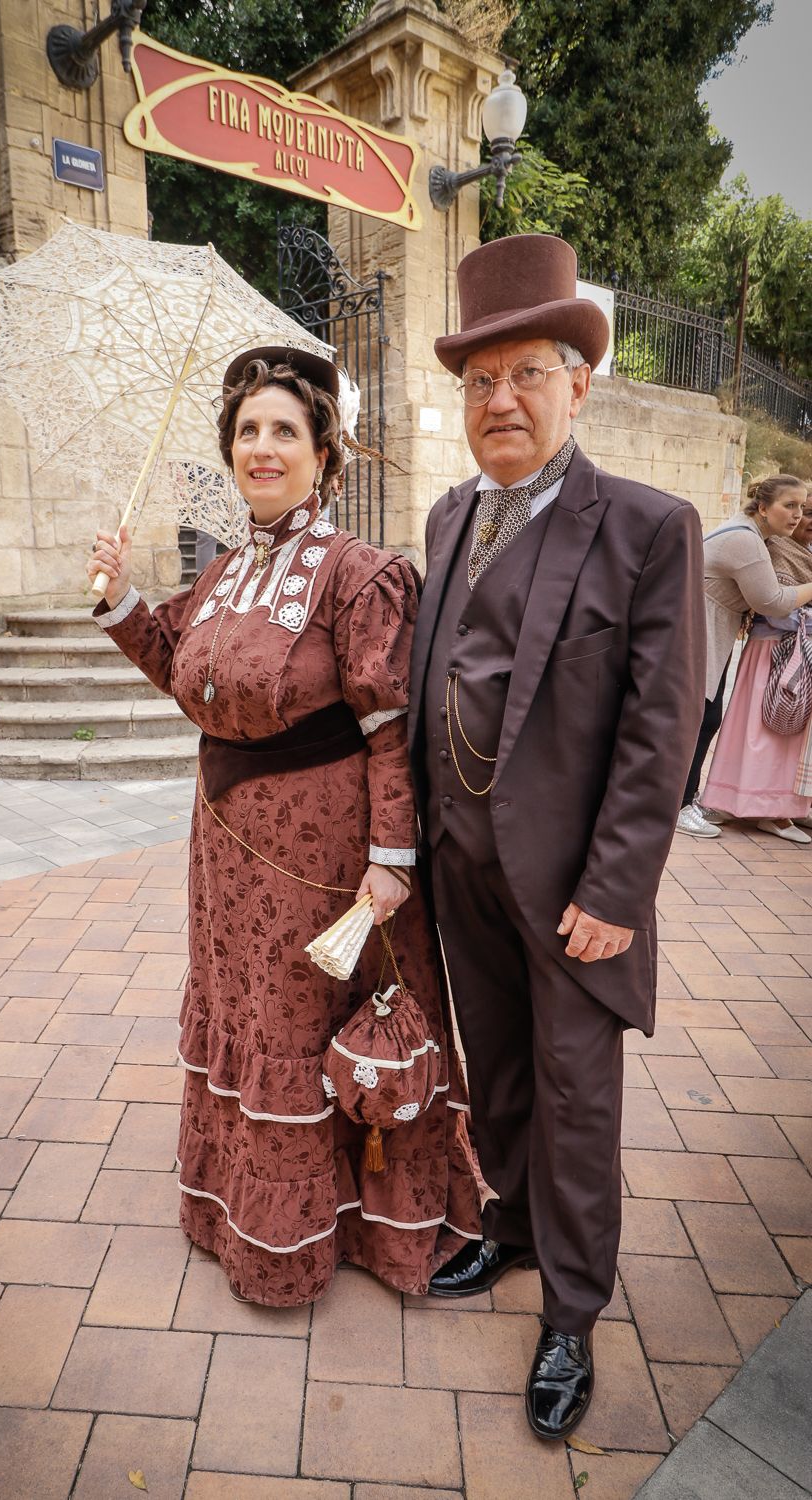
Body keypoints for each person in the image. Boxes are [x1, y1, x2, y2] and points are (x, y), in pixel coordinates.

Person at [88, 346, 484, 1307]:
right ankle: (242, 1212)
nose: (261, 448)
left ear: (323, 452)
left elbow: (392, 731)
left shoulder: (361, 575)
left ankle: (339, 1234)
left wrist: (392, 861)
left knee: (307, 1028)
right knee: (247, 1015)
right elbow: (191, 675)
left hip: (327, 862)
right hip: (225, 857)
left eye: (284, 432)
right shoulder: (225, 571)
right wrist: (120, 601)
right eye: (247, 432)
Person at [407, 234, 705, 1440]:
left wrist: (619, 886)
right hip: (461, 864)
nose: (501, 401)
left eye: (526, 373)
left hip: (576, 883)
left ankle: (573, 1314)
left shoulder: (645, 526)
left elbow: (661, 723)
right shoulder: (443, 517)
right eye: (480, 381)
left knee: (579, 1100)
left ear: (577, 383)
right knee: (502, 1073)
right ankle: (510, 1233)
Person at [677, 475, 812, 838]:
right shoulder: (746, 541)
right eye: (790, 505)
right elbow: (771, 601)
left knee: (703, 716)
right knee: (699, 718)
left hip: (708, 624)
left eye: (801, 506)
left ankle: (682, 801)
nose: (798, 515)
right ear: (764, 507)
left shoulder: (754, 535)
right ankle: (679, 805)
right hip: (698, 625)